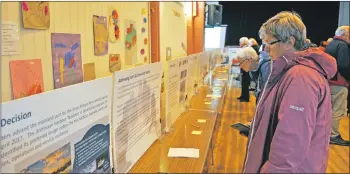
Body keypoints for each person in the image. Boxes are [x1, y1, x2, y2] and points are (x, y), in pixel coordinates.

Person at [243, 11, 337, 173]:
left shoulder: (301, 76)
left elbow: (292, 140)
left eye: (270, 43)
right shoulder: (293, 72)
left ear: (289, 42)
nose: (265, 48)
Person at [325, 25, 350, 146]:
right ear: (344, 34)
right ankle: (333, 135)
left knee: (329, 110)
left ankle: (326, 134)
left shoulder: (331, 44)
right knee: (338, 111)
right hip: (339, 83)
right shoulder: (343, 45)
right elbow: (344, 66)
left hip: (328, 81)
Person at [237, 37, 251, 102]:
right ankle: (243, 96)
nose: (239, 43)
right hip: (243, 67)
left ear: (243, 43)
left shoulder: (247, 49)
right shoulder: (244, 48)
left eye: (240, 42)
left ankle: (246, 98)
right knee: (243, 82)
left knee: (245, 83)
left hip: (246, 68)